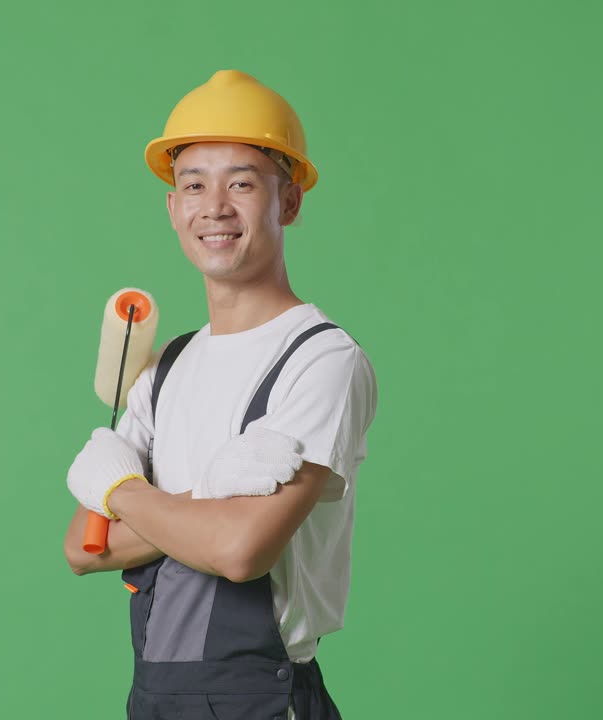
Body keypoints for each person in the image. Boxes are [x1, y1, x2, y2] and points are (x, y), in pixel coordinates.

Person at [63, 69, 378, 720]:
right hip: (152, 697)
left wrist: (121, 489)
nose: (214, 208)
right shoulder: (168, 365)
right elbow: (86, 546)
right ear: (173, 208)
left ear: (287, 201)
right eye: (192, 185)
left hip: (261, 699)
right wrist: (214, 500)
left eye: (241, 182)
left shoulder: (321, 359)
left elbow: (240, 551)